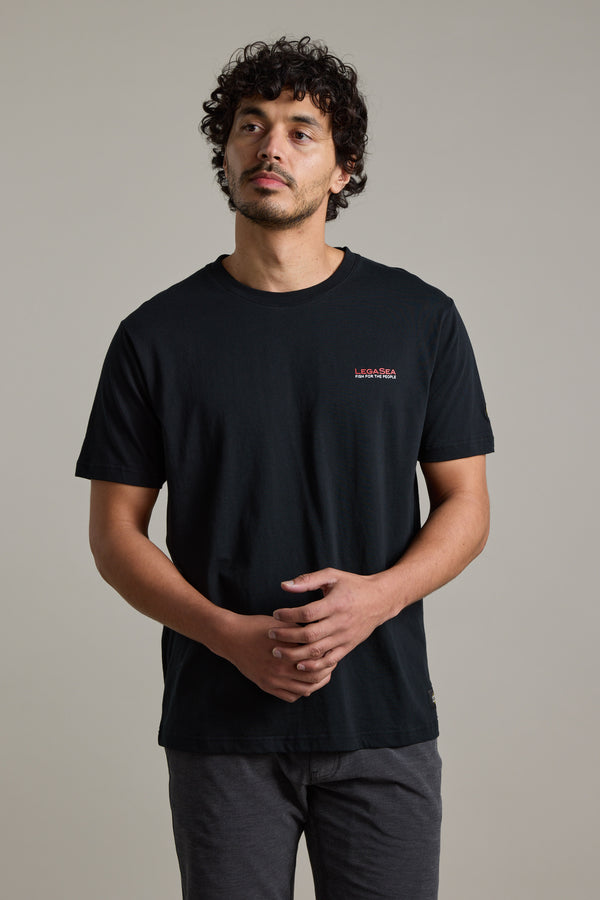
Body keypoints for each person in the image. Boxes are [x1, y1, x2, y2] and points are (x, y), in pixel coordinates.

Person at [76, 36, 494, 900]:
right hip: (219, 730)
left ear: (343, 171)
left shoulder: (420, 320)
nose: (271, 146)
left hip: (383, 720)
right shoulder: (155, 336)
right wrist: (229, 635)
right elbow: (116, 536)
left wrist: (378, 597)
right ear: (226, 155)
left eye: (303, 131)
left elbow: (466, 504)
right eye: (250, 127)